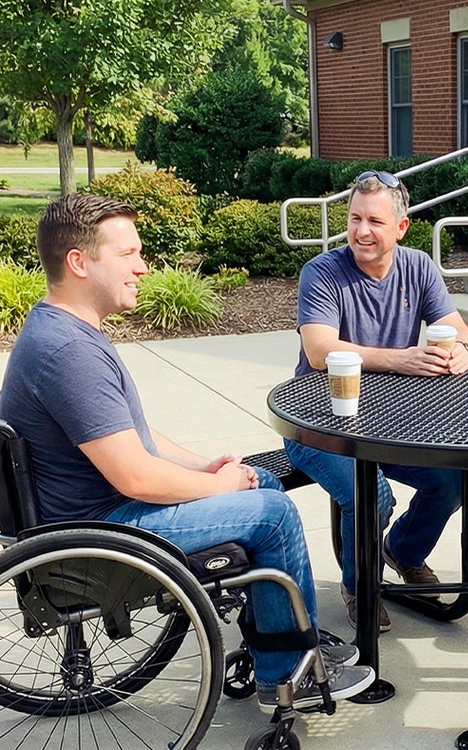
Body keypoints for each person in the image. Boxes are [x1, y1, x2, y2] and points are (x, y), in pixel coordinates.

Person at [0, 194, 373, 710]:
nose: (142, 266)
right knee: (275, 512)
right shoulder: (69, 353)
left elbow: (134, 434)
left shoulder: (61, 330)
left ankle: (276, 634)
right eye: (128, 253)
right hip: (100, 530)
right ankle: (288, 675)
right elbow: (136, 477)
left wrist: (205, 466)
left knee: (260, 480)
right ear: (79, 262)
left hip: (92, 511)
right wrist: (218, 487)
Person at [286, 171, 468, 631]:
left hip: (394, 426)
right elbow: (319, 349)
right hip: (318, 425)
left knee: (458, 478)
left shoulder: (418, 267)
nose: (361, 231)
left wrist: (461, 354)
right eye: (354, 219)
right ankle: (358, 586)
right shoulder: (323, 272)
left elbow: (460, 329)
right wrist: (402, 359)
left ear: (401, 228)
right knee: (372, 496)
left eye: (374, 221)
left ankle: (403, 552)